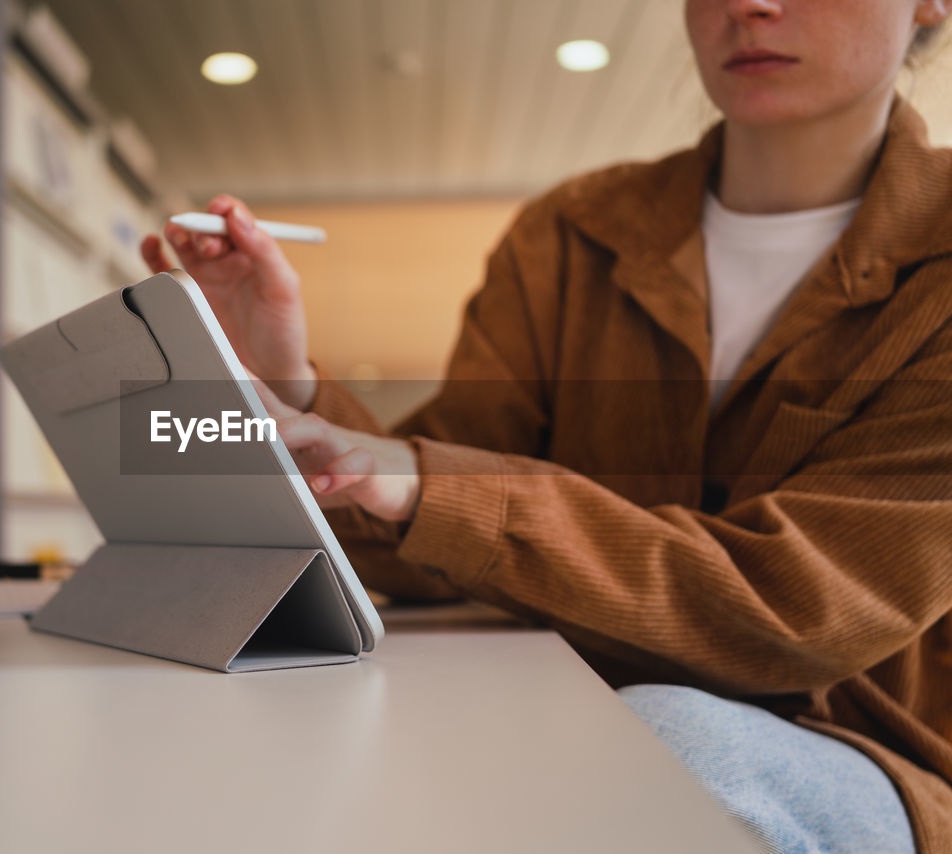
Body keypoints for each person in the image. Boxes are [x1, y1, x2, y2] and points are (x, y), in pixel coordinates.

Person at [142, 1, 952, 851]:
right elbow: (418, 529)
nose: (752, 4)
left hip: (857, 752)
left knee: (665, 749)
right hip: (560, 708)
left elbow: (800, 608)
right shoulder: (572, 234)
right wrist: (286, 379)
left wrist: (438, 491)